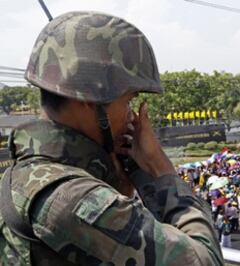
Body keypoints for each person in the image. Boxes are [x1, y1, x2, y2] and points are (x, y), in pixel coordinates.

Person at [0, 11, 223, 265]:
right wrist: (161, 171)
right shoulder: (75, 199)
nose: (132, 117)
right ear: (88, 99)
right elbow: (205, 260)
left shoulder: (22, 175)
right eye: (128, 101)